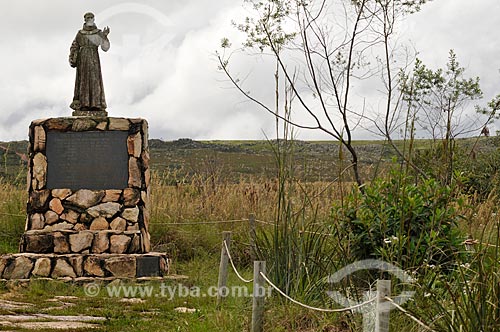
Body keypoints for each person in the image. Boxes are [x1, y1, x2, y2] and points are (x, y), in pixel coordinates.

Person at [69, 12, 110, 114]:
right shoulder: (80, 33)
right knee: (83, 81)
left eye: (92, 17)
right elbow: (74, 46)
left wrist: (104, 36)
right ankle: (83, 104)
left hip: (94, 59)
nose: (90, 19)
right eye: (88, 18)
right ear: (85, 19)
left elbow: (105, 48)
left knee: (95, 80)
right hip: (82, 61)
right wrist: (73, 57)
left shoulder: (98, 33)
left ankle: (96, 104)